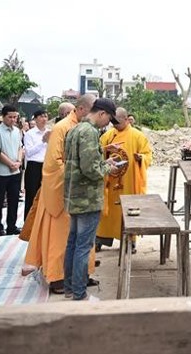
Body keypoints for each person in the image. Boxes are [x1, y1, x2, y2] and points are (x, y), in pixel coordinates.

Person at [23, 94, 96, 294]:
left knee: (84, 236)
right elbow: (54, 163)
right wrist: (79, 174)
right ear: (82, 109)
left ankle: (81, 274)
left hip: (80, 191)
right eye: (93, 113)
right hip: (64, 191)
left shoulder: (84, 127)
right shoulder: (62, 127)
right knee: (63, 236)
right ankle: (58, 278)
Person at [63, 98, 120, 301]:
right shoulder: (89, 132)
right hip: (87, 199)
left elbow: (80, 163)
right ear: (102, 113)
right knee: (82, 247)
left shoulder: (75, 130)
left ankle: (69, 287)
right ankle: (79, 293)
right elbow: (90, 170)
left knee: (73, 244)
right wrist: (107, 168)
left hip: (74, 196)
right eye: (109, 119)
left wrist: (103, 161)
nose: (108, 124)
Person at [95, 107, 152, 251]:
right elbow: (98, 154)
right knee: (107, 211)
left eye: (118, 122)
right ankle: (101, 238)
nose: (115, 125)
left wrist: (141, 158)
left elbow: (148, 155)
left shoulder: (138, 136)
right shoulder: (108, 135)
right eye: (113, 122)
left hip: (128, 181)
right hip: (110, 180)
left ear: (127, 119)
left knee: (127, 211)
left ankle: (129, 241)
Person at [0, 106, 24, 236]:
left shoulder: (17, 131)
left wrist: (19, 162)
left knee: (14, 200)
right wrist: (10, 163)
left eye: (15, 117)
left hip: (15, 171)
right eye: (10, 117)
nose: (13, 119)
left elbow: (20, 148)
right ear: (3, 116)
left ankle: (12, 225)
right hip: (1, 171)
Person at [23, 110, 49, 217]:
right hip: (34, 166)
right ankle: (28, 224)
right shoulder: (30, 134)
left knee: (46, 195)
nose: (44, 119)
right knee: (32, 195)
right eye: (41, 117)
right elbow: (29, 152)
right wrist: (43, 141)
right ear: (35, 119)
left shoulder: (50, 132)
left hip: (47, 165)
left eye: (46, 116)